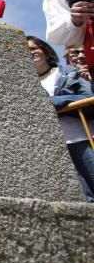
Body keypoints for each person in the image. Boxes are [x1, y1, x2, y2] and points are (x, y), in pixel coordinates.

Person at [29, 36, 94, 201]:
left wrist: (52, 103)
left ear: (45, 51)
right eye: (25, 50)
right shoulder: (26, 84)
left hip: (82, 138)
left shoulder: (68, 72)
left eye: (33, 48)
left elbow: (87, 97)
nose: (30, 53)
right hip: (52, 146)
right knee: (84, 198)